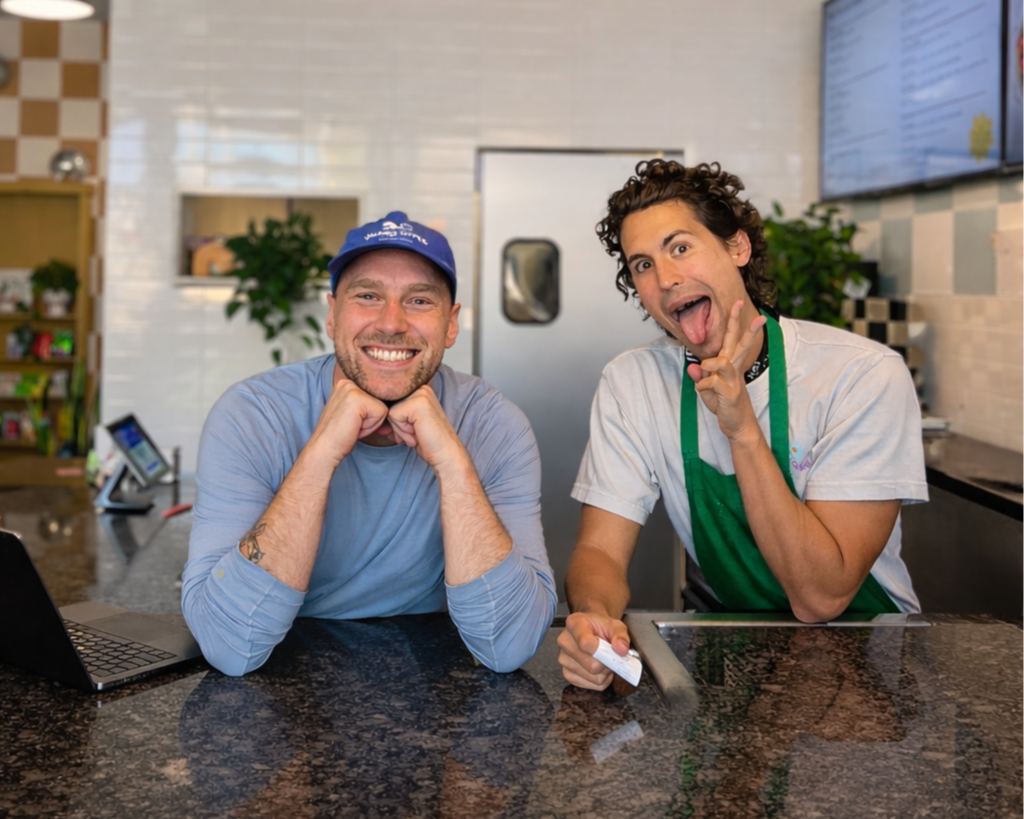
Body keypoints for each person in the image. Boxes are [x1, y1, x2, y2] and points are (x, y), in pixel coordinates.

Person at [557, 161, 928, 690]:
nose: (665, 278)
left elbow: (822, 597)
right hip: (741, 658)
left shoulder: (858, 375)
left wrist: (743, 430)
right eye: (642, 264)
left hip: (865, 663)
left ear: (738, 248)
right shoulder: (633, 383)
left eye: (680, 247)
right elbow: (599, 551)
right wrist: (595, 619)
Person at [183, 212, 556, 676]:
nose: (391, 323)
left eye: (419, 300)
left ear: (451, 324)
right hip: (283, 682)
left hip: (429, 684)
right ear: (333, 314)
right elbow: (230, 645)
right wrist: (319, 456)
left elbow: (510, 646)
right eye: (367, 296)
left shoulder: (495, 425)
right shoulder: (252, 415)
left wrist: (453, 465)